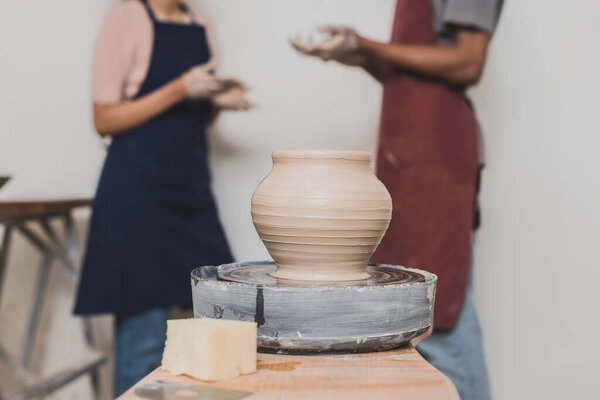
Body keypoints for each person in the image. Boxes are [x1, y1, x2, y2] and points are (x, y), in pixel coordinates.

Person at [290, 1, 502, 399]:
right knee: (411, 311)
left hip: (437, 159)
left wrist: (369, 43)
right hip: (409, 158)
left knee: (436, 318)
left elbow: (468, 62)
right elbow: (413, 73)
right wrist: (358, 56)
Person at [73, 0, 251, 396]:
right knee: (145, 340)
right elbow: (104, 118)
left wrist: (216, 101)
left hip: (190, 192)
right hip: (137, 194)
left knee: (220, 330)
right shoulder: (124, 18)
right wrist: (179, 89)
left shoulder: (200, 23)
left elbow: (193, 119)